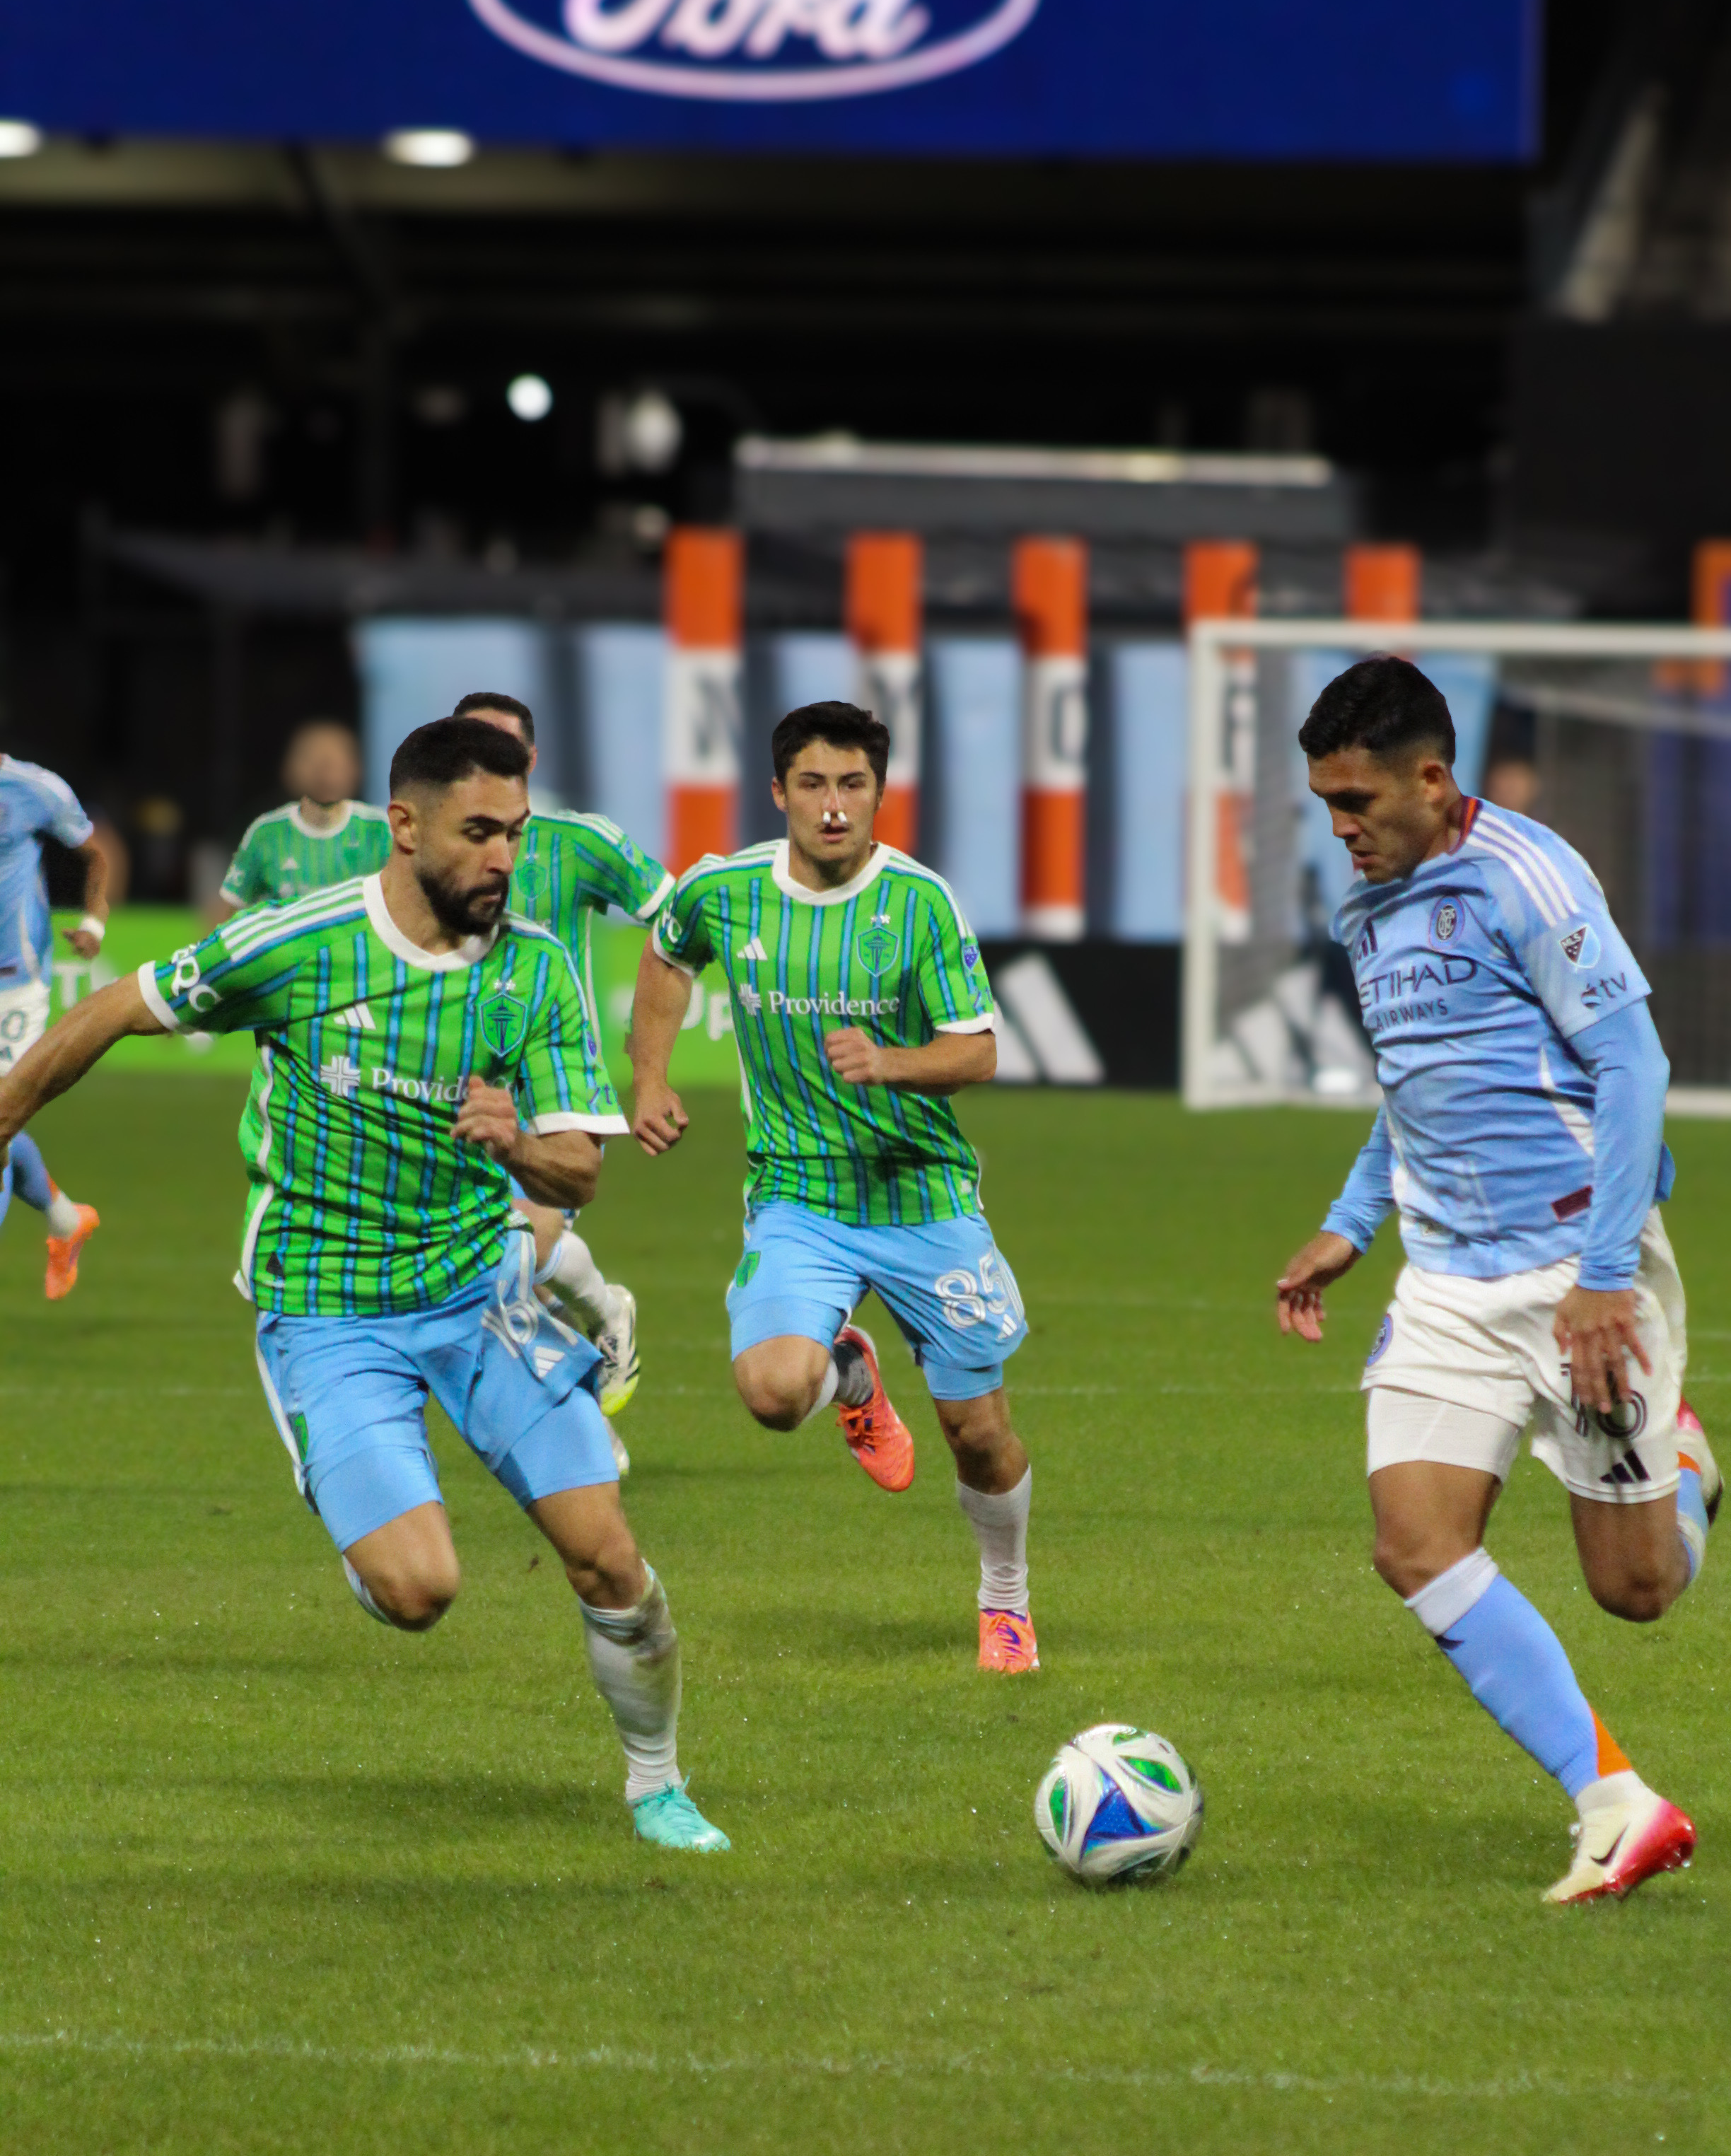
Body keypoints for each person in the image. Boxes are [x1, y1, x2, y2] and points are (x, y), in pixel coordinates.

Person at [0, 712, 728, 1851]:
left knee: (611, 1559)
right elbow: (115, 1008)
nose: (503, 858)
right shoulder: (303, 943)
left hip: (479, 1297)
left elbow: (579, 1169)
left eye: (515, 833)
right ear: (405, 826)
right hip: (329, 1312)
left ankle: (658, 1784)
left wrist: (514, 1140)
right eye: (478, 833)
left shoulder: (535, 969)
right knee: (418, 1592)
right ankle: (371, 1532)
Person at [1271, 655, 1720, 1909]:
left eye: (1356, 801)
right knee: (1413, 1543)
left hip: (1577, 1268)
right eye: (1324, 804)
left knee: (1634, 1590)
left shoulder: (1530, 875)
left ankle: (1684, 1468)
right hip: (1447, 1281)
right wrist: (1351, 1221)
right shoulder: (1370, 909)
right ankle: (1618, 1803)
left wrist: (1606, 1276)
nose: (1341, 828)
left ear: (1431, 778)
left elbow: (1634, 1067)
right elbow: (1414, 1081)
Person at [629, 699, 1040, 1675]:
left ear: (879, 793)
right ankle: (846, 1372)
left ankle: (1006, 1600)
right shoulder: (722, 890)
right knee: (774, 1394)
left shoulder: (921, 903)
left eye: (853, 784)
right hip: (799, 1196)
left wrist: (890, 1062)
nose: (832, 806)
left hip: (921, 1196)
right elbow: (666, 955)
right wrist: (648, 1077)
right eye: (812, 784)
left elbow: (979, 1051)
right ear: (778, 792)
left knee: (978, 1434)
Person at [449, 690, 664, 1414]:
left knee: (520, 1249)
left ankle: (588, 1385)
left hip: (550, 1085)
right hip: (449, 1079)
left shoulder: (579, 843)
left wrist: (647, 1046)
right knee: (490, 1271)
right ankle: (601, 1328)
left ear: (532, 760)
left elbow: (679, 920)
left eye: (504, 747)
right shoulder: (430, 850)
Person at [0, 744, 107, 1298]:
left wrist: (95, 921)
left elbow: (97, 853)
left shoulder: (34, 788)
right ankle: (67, 1220)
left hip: (16, 985)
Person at [208, 719, 390, 924]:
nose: (324, 769)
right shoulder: (266, 834)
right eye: (312, 758)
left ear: (355, 770)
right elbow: (225, 915)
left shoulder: (380, 829)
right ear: (290, 769)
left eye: (335, 759)